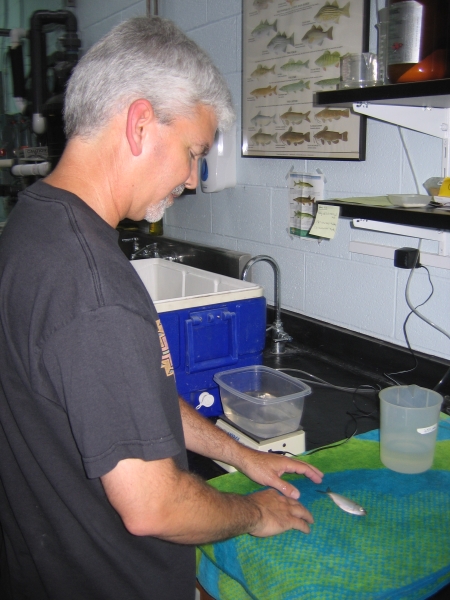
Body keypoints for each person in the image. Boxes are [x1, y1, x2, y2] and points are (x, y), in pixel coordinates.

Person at [0, 16, 323, 600]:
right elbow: (153, 508)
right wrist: (253, 512)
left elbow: (129, 400)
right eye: (193, 151)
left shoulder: (31, 226)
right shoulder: (93, 288)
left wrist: (243, 455)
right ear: (140, 123)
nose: (195, 179)